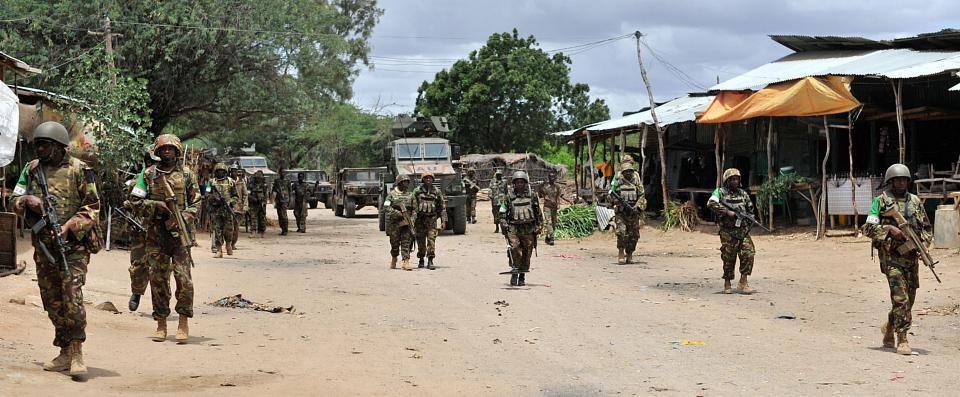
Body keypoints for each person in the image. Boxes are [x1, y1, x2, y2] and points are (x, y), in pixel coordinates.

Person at [12, 121, 101, 376]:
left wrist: (70, 225)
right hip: (43, 246)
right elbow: (13, 198)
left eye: (45, 145)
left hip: (72, 246)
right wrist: (26, 200)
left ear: (59, 146)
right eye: (37, 145)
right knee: (52, 301)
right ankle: (64, 352)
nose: (39, 150)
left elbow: (93, 206)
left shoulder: (80, 170)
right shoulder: (31, 170)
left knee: (72, 297)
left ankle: (77, 353)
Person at [128, 133, 199, 343]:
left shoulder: (187, 175)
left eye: (171, 149)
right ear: (158, 152)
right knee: (158, 280)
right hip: (156, 235)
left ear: (177, 151)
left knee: (184, 279)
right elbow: (135, 201)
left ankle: (183, 321)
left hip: (180, 236)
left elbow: (197, 202)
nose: (167, 152)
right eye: (163, 149)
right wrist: (154, 206)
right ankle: (161, 323)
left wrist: (185, 216)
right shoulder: (148, 174)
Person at [863, 163, 932, 355]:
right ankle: (902, 339)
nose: (901, 182)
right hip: (891, 258)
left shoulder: (916, 202)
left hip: (911, 258)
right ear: (890, 182)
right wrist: (889, 230)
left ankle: (889, 326)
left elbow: (926, 228)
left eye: (904, 179)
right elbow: (867, 228)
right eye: (897, 180)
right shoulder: (881, 202)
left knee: (909, 299)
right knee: (900, 298)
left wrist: (924, 246)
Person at [707, 168, 757, 294]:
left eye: (737, 179)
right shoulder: (720, 192)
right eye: (732, 179)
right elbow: (711, 203)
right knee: (728, 257)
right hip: (727, 231)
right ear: (727, 180)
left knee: (748, 253)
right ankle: (727, 282)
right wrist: (727, 212)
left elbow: (751, 211)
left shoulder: (743, 194)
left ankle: (743, 282)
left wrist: (747, 222)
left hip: (742, 231)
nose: (735, 181)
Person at [128, 149, 158, 312]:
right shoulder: (138, 181)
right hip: (141, 229)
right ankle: (137, 292)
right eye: (151, 162)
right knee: (138, 265)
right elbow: (131, 203)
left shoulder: (167, 180)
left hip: (161, 230)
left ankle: (159, 307)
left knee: (159, 269)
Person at [500, 171, 542, 286]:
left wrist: (539, 226)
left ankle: (522, 275)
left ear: (525, 183)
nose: (519, 185)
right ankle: (515, 272)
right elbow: (502, 212)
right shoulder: (509, 197)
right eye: (517, 182)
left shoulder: (532, 196)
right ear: (514, 184)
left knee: (527, 251)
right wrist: (503, 223)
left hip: (528, 228)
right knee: (514, 249)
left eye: (522, 182)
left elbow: (538, 212)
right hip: (514, 228)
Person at [610, 163, 646, 264]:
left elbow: (642, 195)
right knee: (621, 232)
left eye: (630, 171)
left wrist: (637, 207)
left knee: (634, 235)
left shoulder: (636, 182)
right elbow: (610, 196)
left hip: (633, 213)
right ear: (623, 172)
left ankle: (629, 254)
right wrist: (615, 201)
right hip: (621, 213)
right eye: (626, 171)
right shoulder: (617, 182)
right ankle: (621, 252)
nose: (628, 173)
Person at [413, 172, 447, 269]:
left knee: (431, 240)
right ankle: (421, 259)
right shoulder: (417, 191)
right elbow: (412, 205)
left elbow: (442, 207)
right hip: (420, 221)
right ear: (423, 179)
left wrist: (443, 221)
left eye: (430, 178)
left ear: (433, 180)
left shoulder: (437, 191)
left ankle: (430, 260)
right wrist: (411, 221)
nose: (428, 180)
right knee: (421, 241)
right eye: (426, 178)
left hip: (432, 220)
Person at [205, 163, 239, 258]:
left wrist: (231, 202)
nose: (220, 173)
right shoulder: (211, 182)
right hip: (216, 210)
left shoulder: (230, 182)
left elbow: (236, 196)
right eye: (218, 171)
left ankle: (228, 245)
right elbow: (207, 194)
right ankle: (219, 250)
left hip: (227, 210)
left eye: (222, 171)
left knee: (228, 229)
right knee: (217, 229)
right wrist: (214, 198)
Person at [383, 174, 417, 270]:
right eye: (404, 182)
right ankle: (394, 258)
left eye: (407, 182)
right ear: (399, 183)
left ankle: (406, 261)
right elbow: (385, 207)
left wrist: (412, 220)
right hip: (395, 223)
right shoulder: (391, 195)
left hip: (406, 223)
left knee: (406, 242)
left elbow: (415, 209)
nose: (406, 184)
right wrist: (396, 212)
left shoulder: (411, 195)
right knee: (394, 243)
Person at [539, 170, 562, 245]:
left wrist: (558, 204)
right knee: (549, 222)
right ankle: (552, 238)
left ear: (555, 178)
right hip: (547, 206)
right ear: (548, 178)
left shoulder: (557, 187)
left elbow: (558, 196)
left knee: (554, 224)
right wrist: (540, 186)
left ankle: (547, 237)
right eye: (550, 177)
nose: (552, 178)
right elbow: (540, 195)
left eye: (553, 177)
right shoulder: (545, 186)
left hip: (554, 207)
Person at [229, 163, 247, 250]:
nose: (233, 173)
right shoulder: (228, 181)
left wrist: (245, 206)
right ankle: (228, 243)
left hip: (238, 208)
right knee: (229, 227)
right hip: (229, 207)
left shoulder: (241, 182)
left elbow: (245, 195)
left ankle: (233, 244)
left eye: (235, 171)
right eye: (232, 171)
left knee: (236, 227)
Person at [246, 170, 267, 238]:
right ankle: (253, 231)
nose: (258, 179)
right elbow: (248, 194)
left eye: (260, 178)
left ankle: (262, 231)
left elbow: (266, 195)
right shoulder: (251, 185)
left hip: (261, 204)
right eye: (257, 178)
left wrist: (264, 203)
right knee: (253, 218)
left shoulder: (264, 185)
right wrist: (253, 199)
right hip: (253, 204)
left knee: (262, 218)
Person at [272, 169, 289, 235]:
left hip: (285, 200)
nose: (282, 173)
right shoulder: (277, 181)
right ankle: (282, 229)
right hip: (278, 200)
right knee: (280, 215)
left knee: (283, 215)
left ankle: (285, 229)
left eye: (284, 172)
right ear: (279, 173)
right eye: (281, 172)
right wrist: (273, 200)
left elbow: (290, 191)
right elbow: (274, 190)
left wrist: (289, 200)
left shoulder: (287, 181)